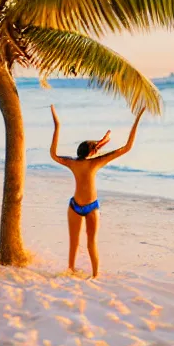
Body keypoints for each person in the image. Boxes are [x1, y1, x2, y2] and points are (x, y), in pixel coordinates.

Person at [50, 104, 145, 278]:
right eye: (96, 149)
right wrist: (137, 120)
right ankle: (91, 274)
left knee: (80, 242)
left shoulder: (73, 162)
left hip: (80, 206)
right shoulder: (95, 162)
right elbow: (127, 147)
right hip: (84, 207)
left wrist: (57, 126)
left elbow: (53, 155)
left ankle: (88, 273)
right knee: (86, 242)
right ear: (92, 152)